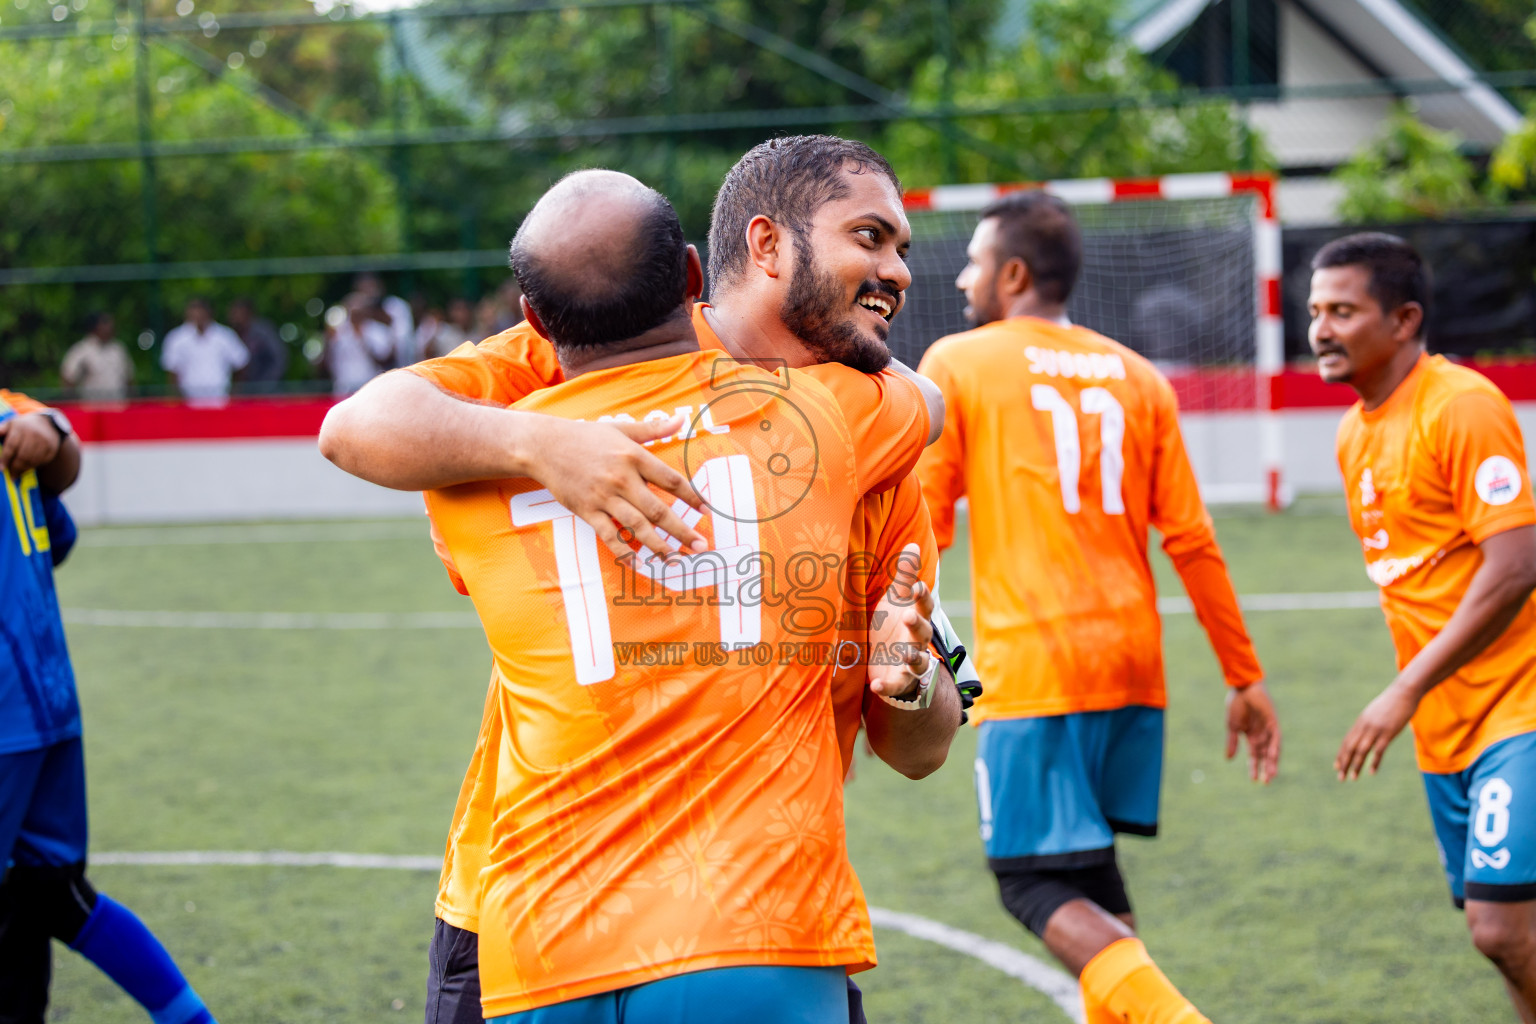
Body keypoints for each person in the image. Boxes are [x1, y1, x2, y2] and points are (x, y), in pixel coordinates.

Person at [321, 135, 971, 1024]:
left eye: (902, 246)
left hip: (745, 905)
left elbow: (918, 750)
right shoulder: (591, 347)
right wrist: (543, 445)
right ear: (766, 245)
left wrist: (910, 682)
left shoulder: (872, 444)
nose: (896, 270)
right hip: (530, 915)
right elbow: (360, 422)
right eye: (869, 237)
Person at [915, 191, 1282, 1024]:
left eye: (974, 261)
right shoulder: (1139, 375)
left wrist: (891, 665)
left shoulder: (959, 361)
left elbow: (922, 534)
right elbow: (1191, 539)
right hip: (1133, 665)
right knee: (1091, 875)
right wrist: (1244, 677)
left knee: (1031, 880)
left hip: (1038, 666)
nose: (965, 278)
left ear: (1012, 274)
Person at [1313, 233, 1536, 1020]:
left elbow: (1515, 564)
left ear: (1404, 319)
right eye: (1315, 311)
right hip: (1448, 734)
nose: (1321, 329)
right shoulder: (1353, 434)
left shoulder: (1462, 406)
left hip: (1520, 710)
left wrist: (1402, 689)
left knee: (1500, 927)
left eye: (1344, 311)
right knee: (1514, 935)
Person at [0, 391, 217, 1024]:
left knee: (43, 898)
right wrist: (52, 429)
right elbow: (55, 527)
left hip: (10, 711)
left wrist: (52, 430)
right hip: (44, 698)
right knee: (48, 895)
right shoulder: (14, 414)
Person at [160, 298, 248, 404]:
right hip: (188, 402)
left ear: (209, 312)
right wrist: (176, 399)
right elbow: (172, 371)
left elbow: (241, 363)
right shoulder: (176, 338)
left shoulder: (225, 336)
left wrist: (234, 394)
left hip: (221, 401)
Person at [322, 293, 395, 397]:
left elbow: (385, 361)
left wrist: (363, 340)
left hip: (370, 387)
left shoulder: (377, 331)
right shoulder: (338, 332)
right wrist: (328, 340)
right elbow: (326, 363)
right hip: (343, 389)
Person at [60, 313, 134, 402]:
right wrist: (74, 401)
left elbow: (129, 378)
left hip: (118, 407)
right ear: (95, 326)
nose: (110, 326)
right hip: (93, 409)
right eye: (105, 323)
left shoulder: (118, 349)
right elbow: (68, 376)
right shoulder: (82, 350)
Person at [354, 273, 416, 367]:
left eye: (371, 286)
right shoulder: (360, 316)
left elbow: (400, 348)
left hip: (402, 369)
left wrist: (388, 324)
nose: (369, 292)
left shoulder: (397, 306)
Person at [227, 298, 288, 389]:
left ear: (247, 313)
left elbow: (279, 357)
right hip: (246, 389)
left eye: (237, 313)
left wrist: (267, 384)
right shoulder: (234, 334)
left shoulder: (263, 332)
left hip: (265, 387)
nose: (234, 317)